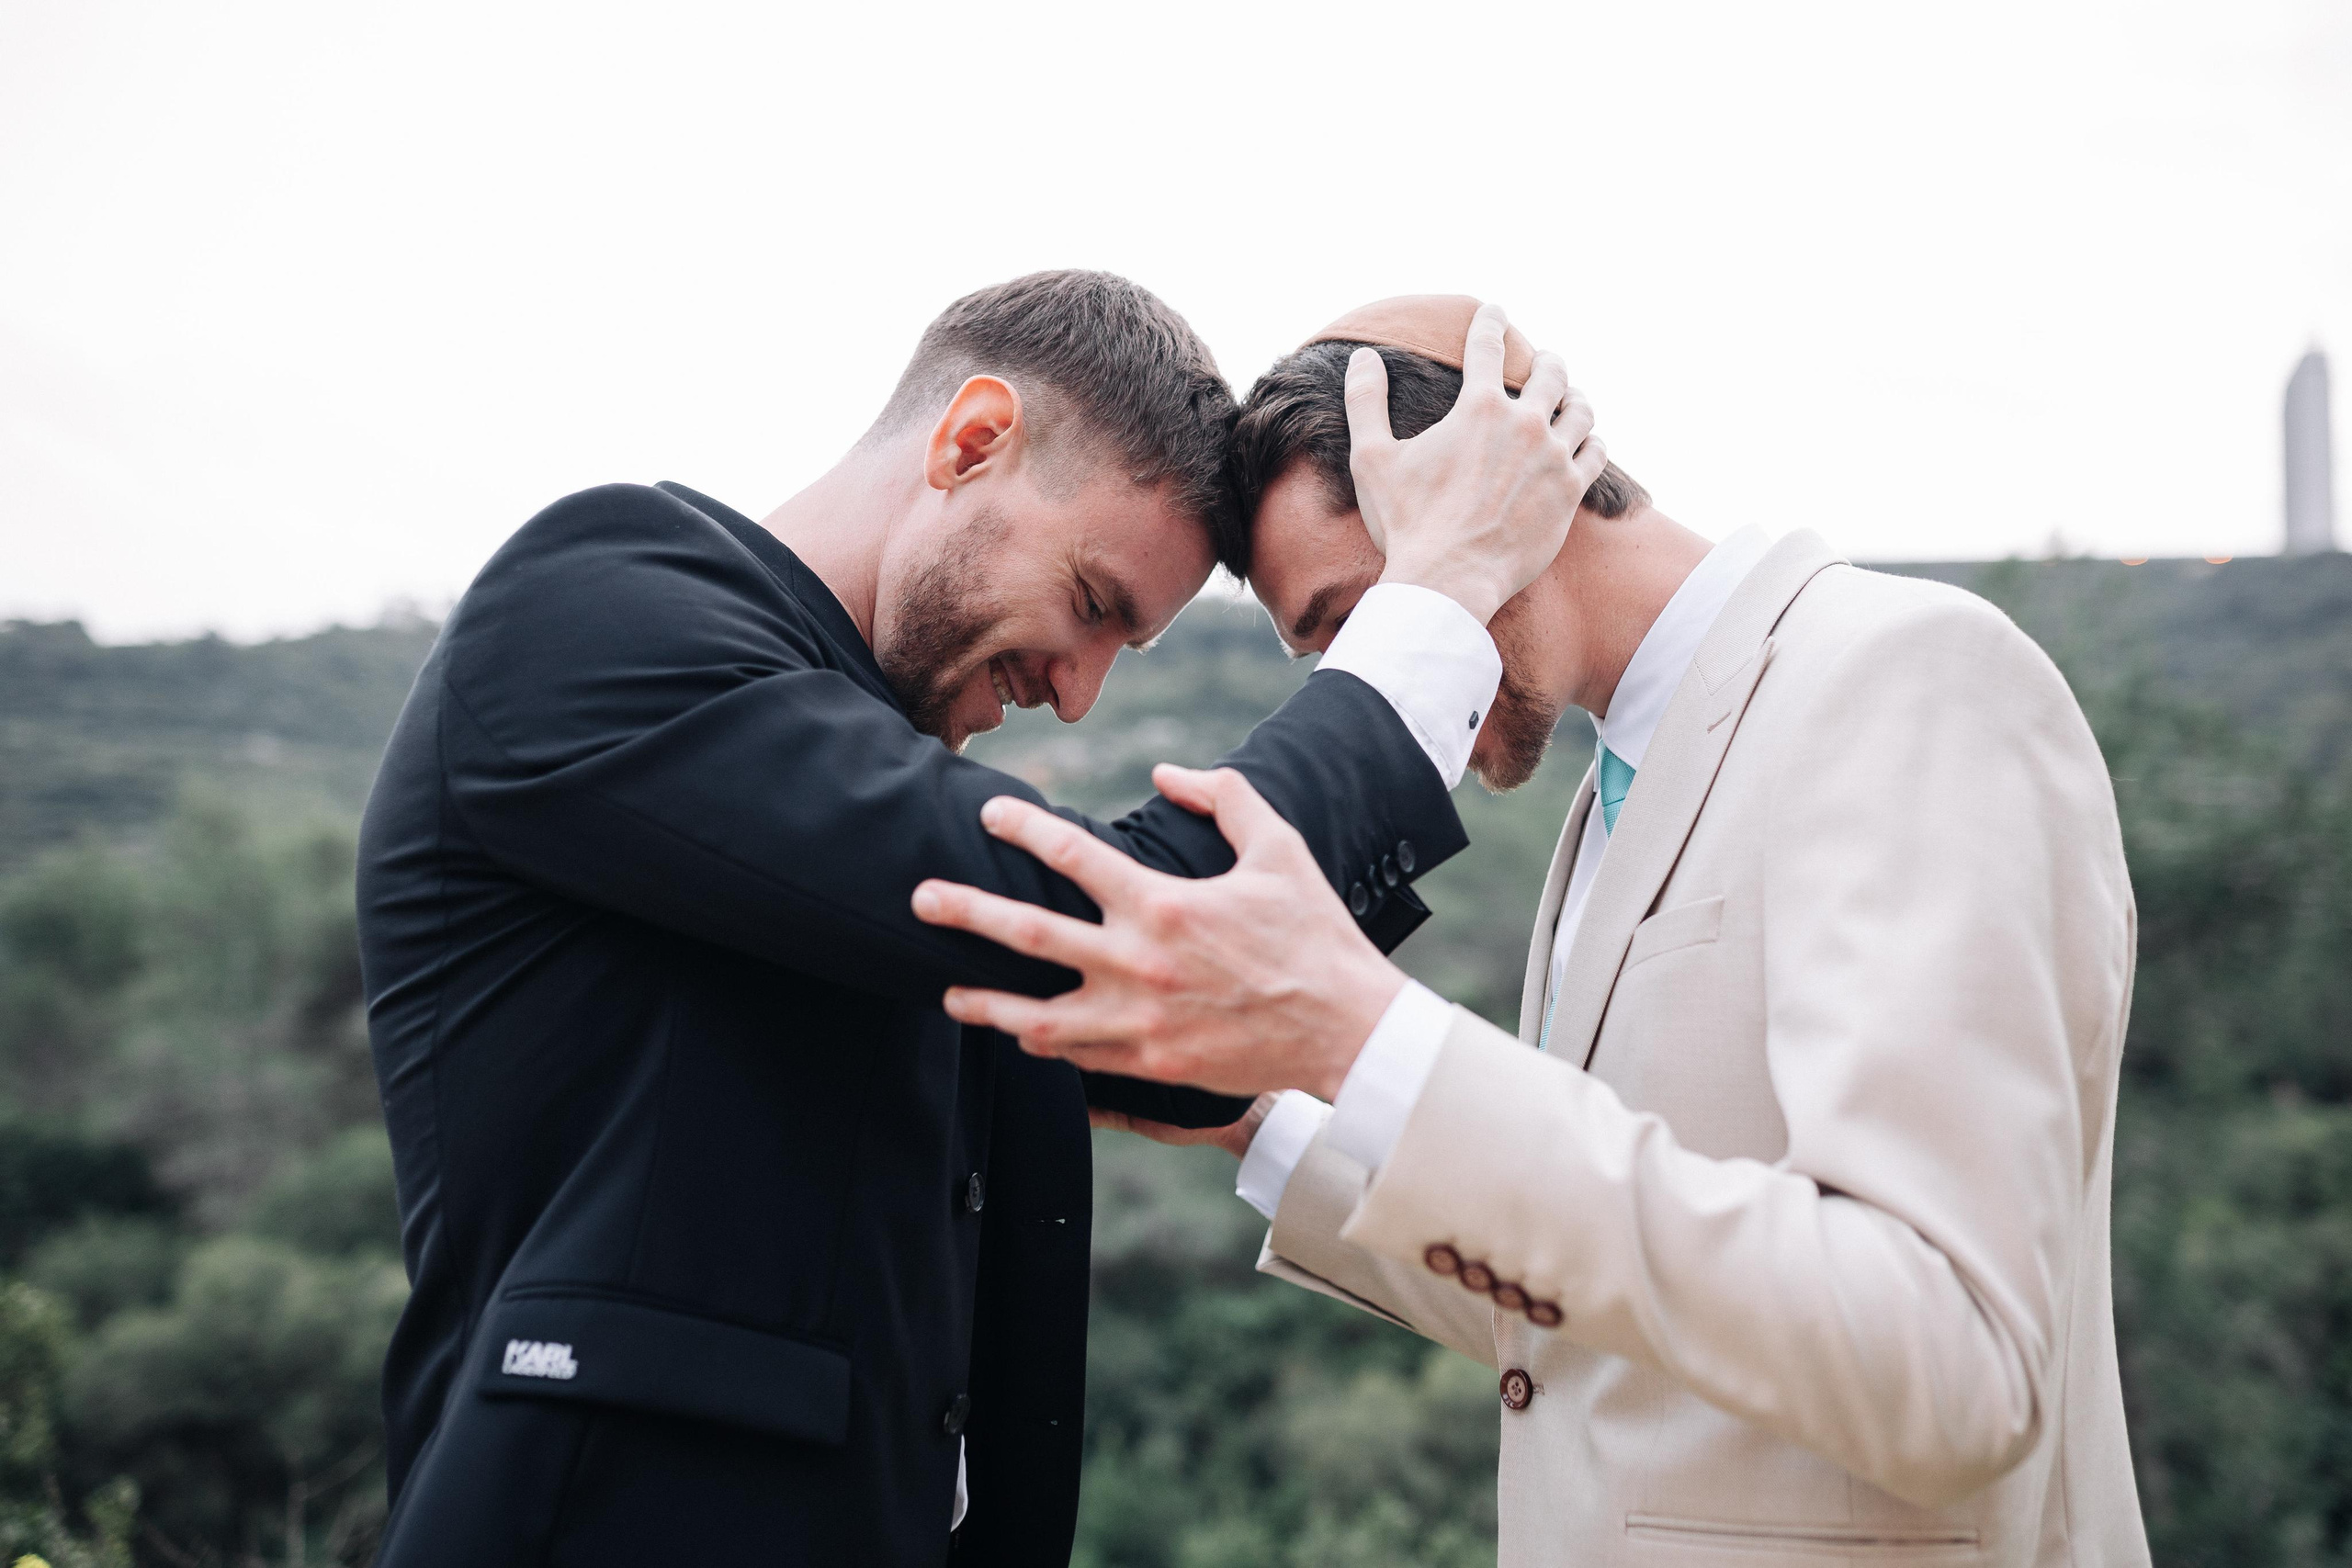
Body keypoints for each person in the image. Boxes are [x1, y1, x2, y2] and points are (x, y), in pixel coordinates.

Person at [355, 274, 1606, 1566]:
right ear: (972, 440)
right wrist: (1435, 602)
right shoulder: (598, 607)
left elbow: (1159, 1039)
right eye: (1093, 604)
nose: (1077, 694)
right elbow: (1125, 918)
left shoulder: (862, 772)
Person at [911, 296, 2153, 1566]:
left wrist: (1371, 1035)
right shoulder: (1616, 787)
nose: (1381, 675)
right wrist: (1256, 1108)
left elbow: (1950, 1360)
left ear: (1493, 488)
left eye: (1356, 617)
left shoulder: (1902, 678)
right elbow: (1598, 1327)